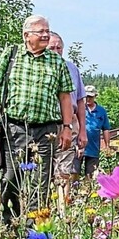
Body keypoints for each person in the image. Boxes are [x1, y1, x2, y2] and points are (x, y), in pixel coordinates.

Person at [0, 15, 74, 227]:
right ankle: (10, 224)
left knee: (41, 181)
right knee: (11, 178)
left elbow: (65, 97)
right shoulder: (12, 54)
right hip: (15, 127)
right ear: (26, 35)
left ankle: (35, 231)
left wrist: (67, 127)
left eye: (47, 31)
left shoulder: (57, 62)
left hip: (47, 130)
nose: (45, 35)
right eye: (40, 31)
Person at [47, 31, 87, 204]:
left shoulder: (72, 69)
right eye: (52, 48)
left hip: (68, 125)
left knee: (64, 170)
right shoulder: (39, 68)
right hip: (44, 125)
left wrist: (83, 131)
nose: (56, 51)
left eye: (59, 47)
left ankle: (62, 214)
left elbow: (80, 101)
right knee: (42, 170)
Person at [81, 85, 110, 178]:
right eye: (86, 96)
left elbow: (106, 129)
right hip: (79, 147)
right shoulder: (79, 108)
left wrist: (107, 145)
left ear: (95, 96)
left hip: (93, 148)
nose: (88, 99)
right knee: (74, 173)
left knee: (91, 175)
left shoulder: (101, 111)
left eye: (90, 96)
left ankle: (88, 191)